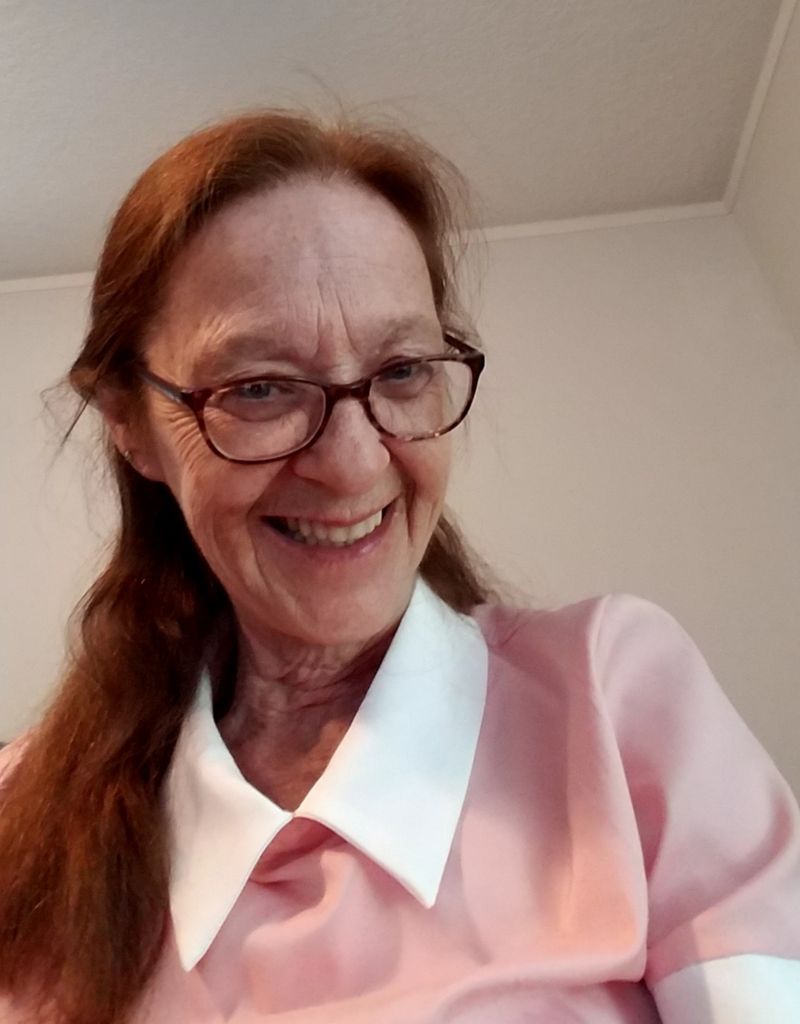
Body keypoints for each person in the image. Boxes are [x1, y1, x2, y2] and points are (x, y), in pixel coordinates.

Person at [0, 110, 798, 1024]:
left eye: (404, 370)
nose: (352, 464)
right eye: (258, 387)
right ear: (132, 423)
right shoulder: (24, 821)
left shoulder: (612, 699)